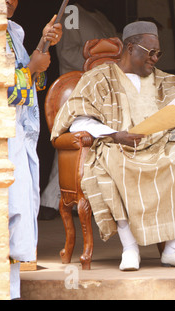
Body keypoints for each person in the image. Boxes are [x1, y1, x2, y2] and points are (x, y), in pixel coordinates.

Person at [50, 21, 175, 271]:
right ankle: (130, 249)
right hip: (118, 145)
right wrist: (115, 134)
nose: (155, 58)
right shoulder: (97, 78)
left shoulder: (167, 81)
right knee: (114, 163)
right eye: (150, 52)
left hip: (162, 145)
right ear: (130, 48)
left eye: (158, 53)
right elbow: (77, 119)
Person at [39, 0, 118, 219]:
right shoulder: (72, 12)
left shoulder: (100, 16)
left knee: (94, 142)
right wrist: (96, 62)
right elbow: (66, 52)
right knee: (71, 142)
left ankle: (82, 200)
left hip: (102, 89)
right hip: (76, 88)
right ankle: (52, 200)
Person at [6, 0, 63, 299]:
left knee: (20, 214)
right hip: (3, 139)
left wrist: (43, 43)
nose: (12, 0)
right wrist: (31, 67)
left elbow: (35, 81)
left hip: (20, 135)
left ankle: (12, 292)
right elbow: (7, 88)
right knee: (9, 214)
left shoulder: (14, 30)